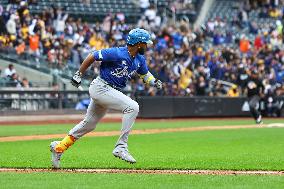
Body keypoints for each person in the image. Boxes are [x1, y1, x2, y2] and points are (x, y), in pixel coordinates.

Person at [49, 28, 162, 168]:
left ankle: (59, 147)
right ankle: (121, 147)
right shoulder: (117, 52)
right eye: (145, 43)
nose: (147, 46)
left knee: (89, 124)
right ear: (138, 44)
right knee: (133, 107)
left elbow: (145, 74)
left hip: (109, 91)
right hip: (100, 87)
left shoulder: (139, 59)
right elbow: (92, 56)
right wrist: (78, 74)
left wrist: (154, 81)